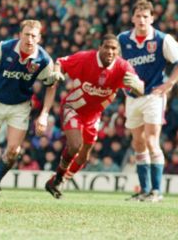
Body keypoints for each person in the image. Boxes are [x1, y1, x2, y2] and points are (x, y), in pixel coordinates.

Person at [44, 34, 145, 199]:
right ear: (100, 47)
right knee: (75, 146)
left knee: (84, 156)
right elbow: (60, 62)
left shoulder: (123, 67)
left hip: (94, 115)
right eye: (107, 47)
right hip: (73, 107)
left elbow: (140, 89)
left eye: (114, 48)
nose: (110, 51)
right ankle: (60, 176)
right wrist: (56, 73)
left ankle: (56, 181)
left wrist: (137, 86)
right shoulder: (85, 58)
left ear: (118, 51)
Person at [0, 19, 62, 197]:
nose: (29, 39)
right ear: (20, 35)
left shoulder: (44, 59)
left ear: (39, 38)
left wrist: (44, 114)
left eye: (34, 36)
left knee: (14, 150)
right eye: (27, 34)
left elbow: (51, 85)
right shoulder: (5, 47)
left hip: (20, 106)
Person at [118, 0, 178, 202]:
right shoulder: (122, 40)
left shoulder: (161, 39)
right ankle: (144, 191)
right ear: (132, 18)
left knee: (151, 141)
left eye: (145, 16)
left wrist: (170, 84)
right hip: (132, 97)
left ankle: (157, 191)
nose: (142, 20)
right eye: (138, 16)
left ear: (152, 18)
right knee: (138, 144)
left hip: (153, 96)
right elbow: (114, 65)